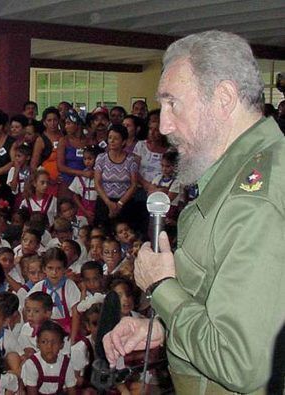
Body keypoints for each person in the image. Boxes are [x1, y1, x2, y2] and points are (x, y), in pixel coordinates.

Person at [102, 30, 285, 394]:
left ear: (224, 98)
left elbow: (244, 363)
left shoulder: (254, 201)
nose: (164, 125)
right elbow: (229, 309)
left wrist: (161, 287)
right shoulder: (236, 176)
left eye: (174, 104)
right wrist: (163, 325)